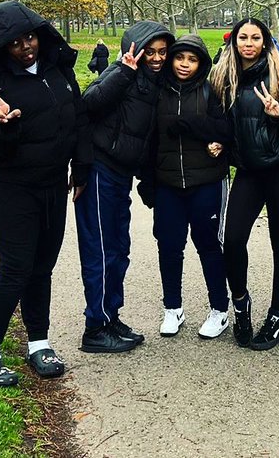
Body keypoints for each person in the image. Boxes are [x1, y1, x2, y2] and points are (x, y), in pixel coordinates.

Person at [0, 1, 91, 385]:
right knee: (16, 267)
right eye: (16, 42)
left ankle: (39, 342)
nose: (26, 47)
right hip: (12, 188)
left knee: (43, 267)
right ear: (2, 46)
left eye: (30, 37)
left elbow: (77, 119)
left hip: (52, 184)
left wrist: (80, 165)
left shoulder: (57, 70)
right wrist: (5, 126)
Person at [76, 20, 174, 353]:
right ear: (137, 49)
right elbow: (89, 103)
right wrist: (123, 70)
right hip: (101, 170)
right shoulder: (123, 74)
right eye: (151, 51)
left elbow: (149, 138)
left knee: (119, 249)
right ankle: (95, 327)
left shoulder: (155, 84)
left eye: (163, 52)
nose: (158, 58)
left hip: (121, 175)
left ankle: (110, 316)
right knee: (101, 250)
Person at [212, 17, 279, 351]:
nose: (248, 43)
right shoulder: (225, 77)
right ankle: (241, 303)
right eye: (243, 37)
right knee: (233, 239)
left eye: (255, 37)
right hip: (249, 172)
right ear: (235, 41)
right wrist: (217, 141)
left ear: (264, 42)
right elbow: (218, 121)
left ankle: (277, 317)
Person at [145, 34, 232, 339]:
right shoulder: (158, 90)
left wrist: (193, 127)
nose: (185, 64)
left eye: (192, 59)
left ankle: (220, 309)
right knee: (169, 246)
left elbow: (225, 130)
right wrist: (148, 181)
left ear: (201, 63)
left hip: (205, 181)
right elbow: (149, 139)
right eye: (180, 58)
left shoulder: (212, 91)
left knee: (208, 245)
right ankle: (173, 308)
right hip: (168, 183)